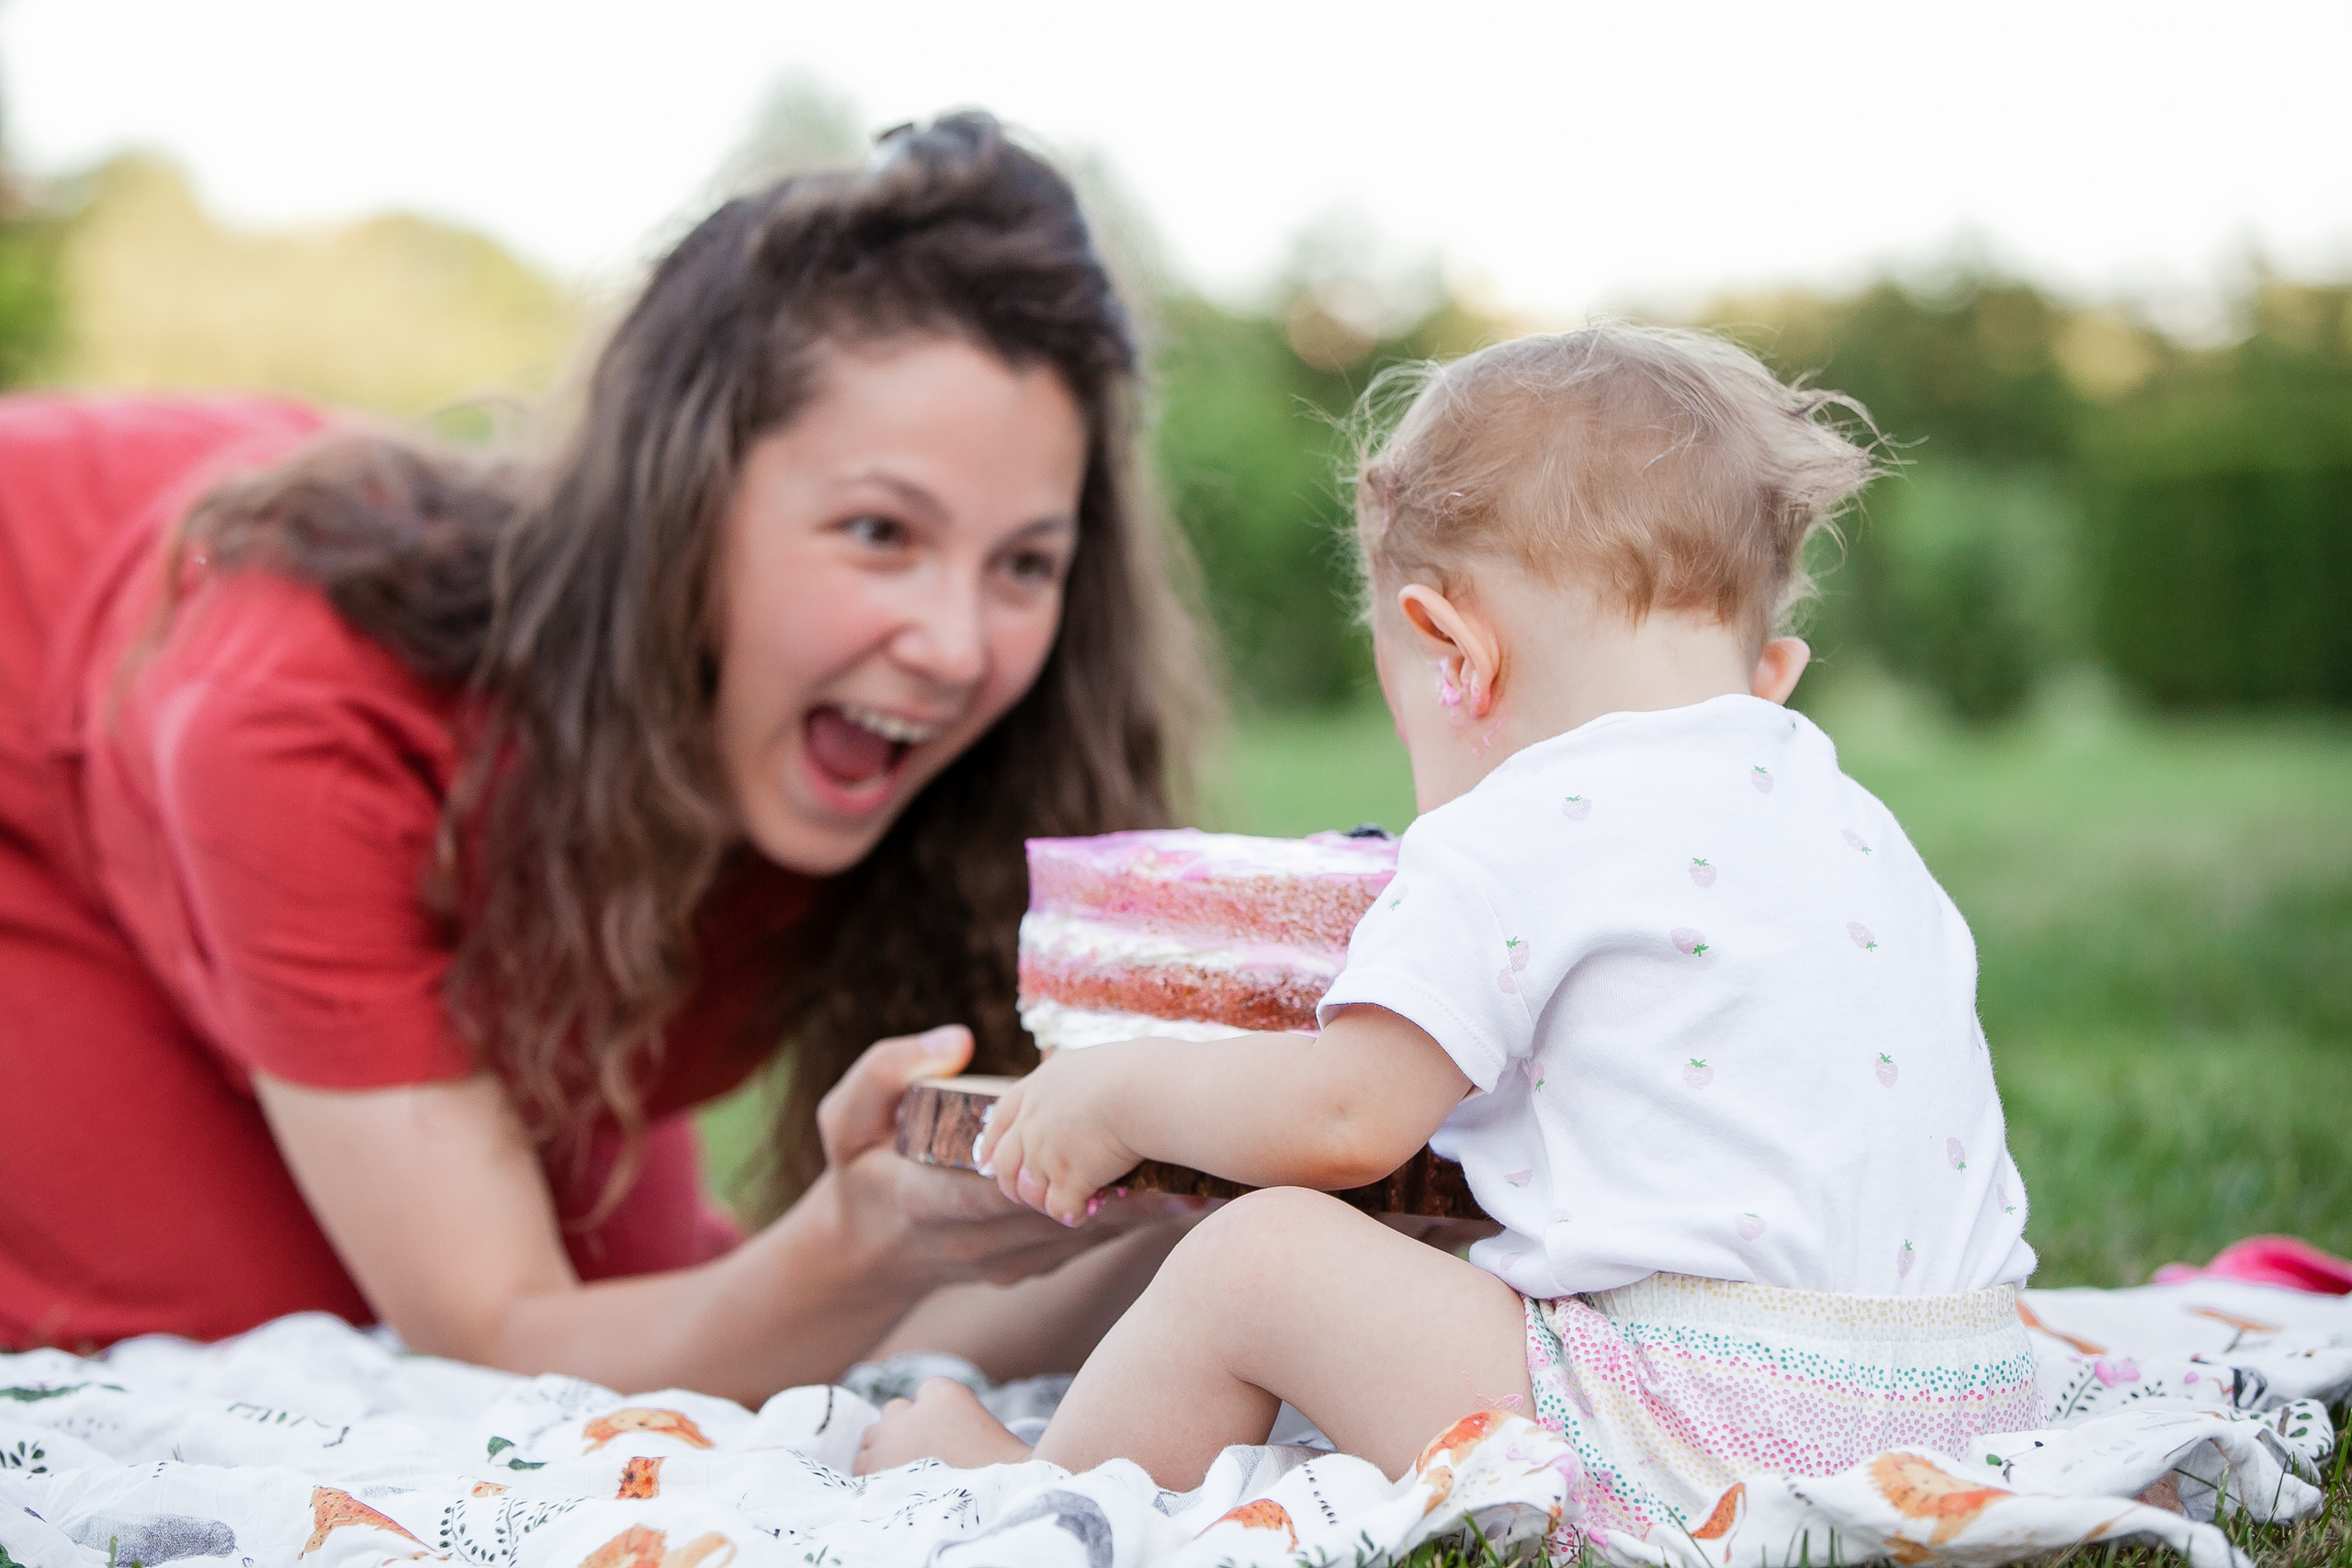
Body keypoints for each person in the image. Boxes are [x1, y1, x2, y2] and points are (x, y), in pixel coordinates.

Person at [0, 113, 1215, 1398]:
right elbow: (509, 1341)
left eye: (1025, 562)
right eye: (879, 531)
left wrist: (1206, 1192)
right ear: (681, 503)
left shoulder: (834, 758)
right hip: (56, 741)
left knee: (679, 1320)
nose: (958, 647)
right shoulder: (303, 717)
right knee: (263, 1338)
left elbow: (844, 1347)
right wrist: (859, 1242)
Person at [856, 325, 2041, 1553]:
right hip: (1961, 1415)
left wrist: (1118, 1092)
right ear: (1773, 672)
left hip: (1703, 1444)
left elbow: (1342, 1121)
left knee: (1260, 1259)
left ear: (1451, 653)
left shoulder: (1522, 824)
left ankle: (1039, 1491)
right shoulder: (1850, 820)